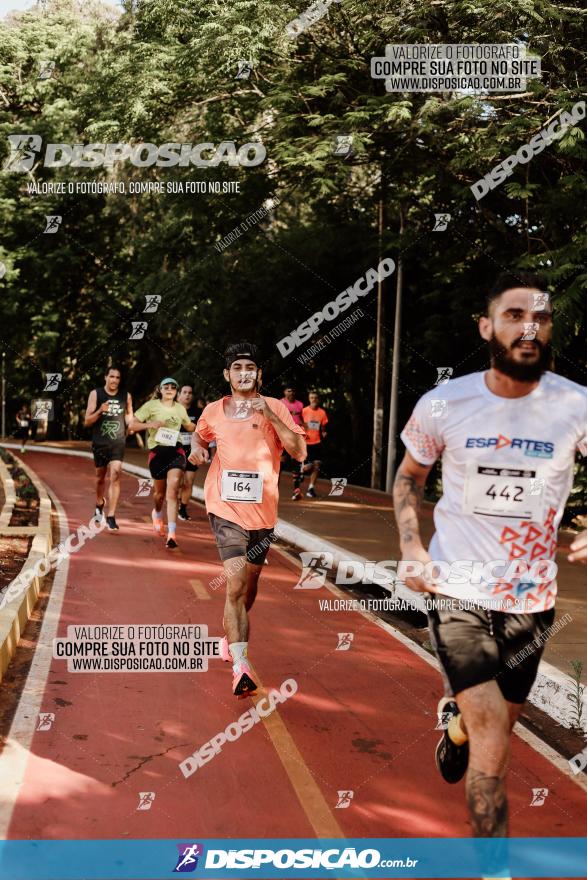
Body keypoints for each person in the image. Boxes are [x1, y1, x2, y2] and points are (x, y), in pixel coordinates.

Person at [393, 271, 587, 850]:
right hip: (459, 589)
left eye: (541, 318)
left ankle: (454, 728)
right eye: (514, 315)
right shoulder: (447, 402)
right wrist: (410, 546)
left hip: (533, 597)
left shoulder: (575, 404)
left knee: (498, 722)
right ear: (487, 327)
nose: (529, 327)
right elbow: (409, 478)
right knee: (493, 740)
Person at [189, 343, 306, 696]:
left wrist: (268, 415)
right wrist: (197, 446)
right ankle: (241, 665)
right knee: (236, 585)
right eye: (236, 367)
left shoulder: (276, 408)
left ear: (259, 374)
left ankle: (230, 634)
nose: (244, 372)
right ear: (227, 375)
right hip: (225, 509)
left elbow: (300, 452)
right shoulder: (213, 410)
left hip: (263, 513)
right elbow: (200, 433)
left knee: (249, 587)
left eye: (250, 367)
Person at [129, 378, 196, 549]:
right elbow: (132, 425)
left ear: (176, 391)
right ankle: (157, 513)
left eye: (173, 387)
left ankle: (172, 534)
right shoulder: (151, 406)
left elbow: (189, 426)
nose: (169, 389)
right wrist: (150, 424)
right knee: (159, 495)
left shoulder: (180, 408)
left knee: (173, 488)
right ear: (160, 389)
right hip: (157, 453)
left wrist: (205, 424)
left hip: (176, 451)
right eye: (166, 387)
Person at [84, 367, 133, 531]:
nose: (114, 380)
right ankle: (99, 503)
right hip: (100, 443)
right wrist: (100, 411)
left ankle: (111, 516)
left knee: (116, 475)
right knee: (100, 478)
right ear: (105, 377)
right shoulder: (96, 394)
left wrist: (131, 425)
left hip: (117, 443)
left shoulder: (126, 396)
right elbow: (87, 421)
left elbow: (129, 417)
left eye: (117, 377)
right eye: (111, 376)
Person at [177, 384, 202, 521]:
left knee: (189, 481)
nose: (187, 395)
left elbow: (201, 431)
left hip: (191, 452)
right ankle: (175, 501)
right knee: (177, 481)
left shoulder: (197, 412)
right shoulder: (172, 409)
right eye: (184, 392)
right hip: (174, 452)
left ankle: (183, 508)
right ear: (179, 394)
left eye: (190, 393)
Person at [299, 391, 328, 499]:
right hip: (306, 442)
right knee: (308, 466)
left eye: (315, 398)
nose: (314, 399)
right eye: (311, 397)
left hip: (317, 442)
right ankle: (301, 470)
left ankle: (311, 489)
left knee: (318, 465)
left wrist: (324, 432)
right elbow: (298, 423)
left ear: (318, 399)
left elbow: (323, 427)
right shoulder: (304, 411)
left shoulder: (322, 413)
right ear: (309, 399)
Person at [280, 386, 305, 499]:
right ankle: (274, 490)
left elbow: (303, 420)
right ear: (284, 392)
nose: (291, 392)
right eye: (289, 390)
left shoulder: (300, 405)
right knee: (281, 464)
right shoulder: (280, 403)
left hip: (295, 437)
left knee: (296, 463)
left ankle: (296, 490)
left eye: (293, 390)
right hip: (283, 437)